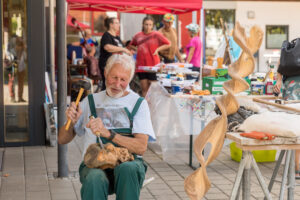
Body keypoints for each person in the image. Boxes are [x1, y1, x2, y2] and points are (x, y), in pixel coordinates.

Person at [58, 54, 156, 200]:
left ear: (129, 79)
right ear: (105, 73)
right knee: (94, 178)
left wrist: (108, 134)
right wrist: (70, 122)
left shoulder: (138, 103)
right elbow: (62, 139)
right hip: (94, 164)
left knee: (128, 169)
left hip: (128, 163)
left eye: (123, 79)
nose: (117, 84)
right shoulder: (89, 101)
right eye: (114, 77)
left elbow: (141, 147)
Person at [130, 16, 171, 97]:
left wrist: (158, 49)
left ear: (152, 26)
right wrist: (137, 49)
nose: (148, 27)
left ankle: (154, 108)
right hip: (141, 66)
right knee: (144, 89)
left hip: (153, 66)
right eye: (146, 24)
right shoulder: (138, 35)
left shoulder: (156, 34)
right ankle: (145, 107)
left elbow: (168, 44)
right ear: (142, 24)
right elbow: (131, 45)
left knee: (154, 90)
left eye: (150, 25)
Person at [274, 71, 300, 179]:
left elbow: (282, 64)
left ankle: (297, 168)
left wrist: (279, 80)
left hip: (291, 86)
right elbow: (282, 64)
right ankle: (297, 168)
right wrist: (279, 80)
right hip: (292, 87)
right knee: (296, 125)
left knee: (296, 124)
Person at [98, 17, 132, 91]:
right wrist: (123, 49)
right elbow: (107, 47)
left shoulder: (117, 37)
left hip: (116, 65)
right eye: (116, 23)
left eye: (118, 23)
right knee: (107, 85)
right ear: (111, 25)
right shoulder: (106, 35)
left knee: (115, 85)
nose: (118, 25)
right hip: (107, 64)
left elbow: (120, 48)